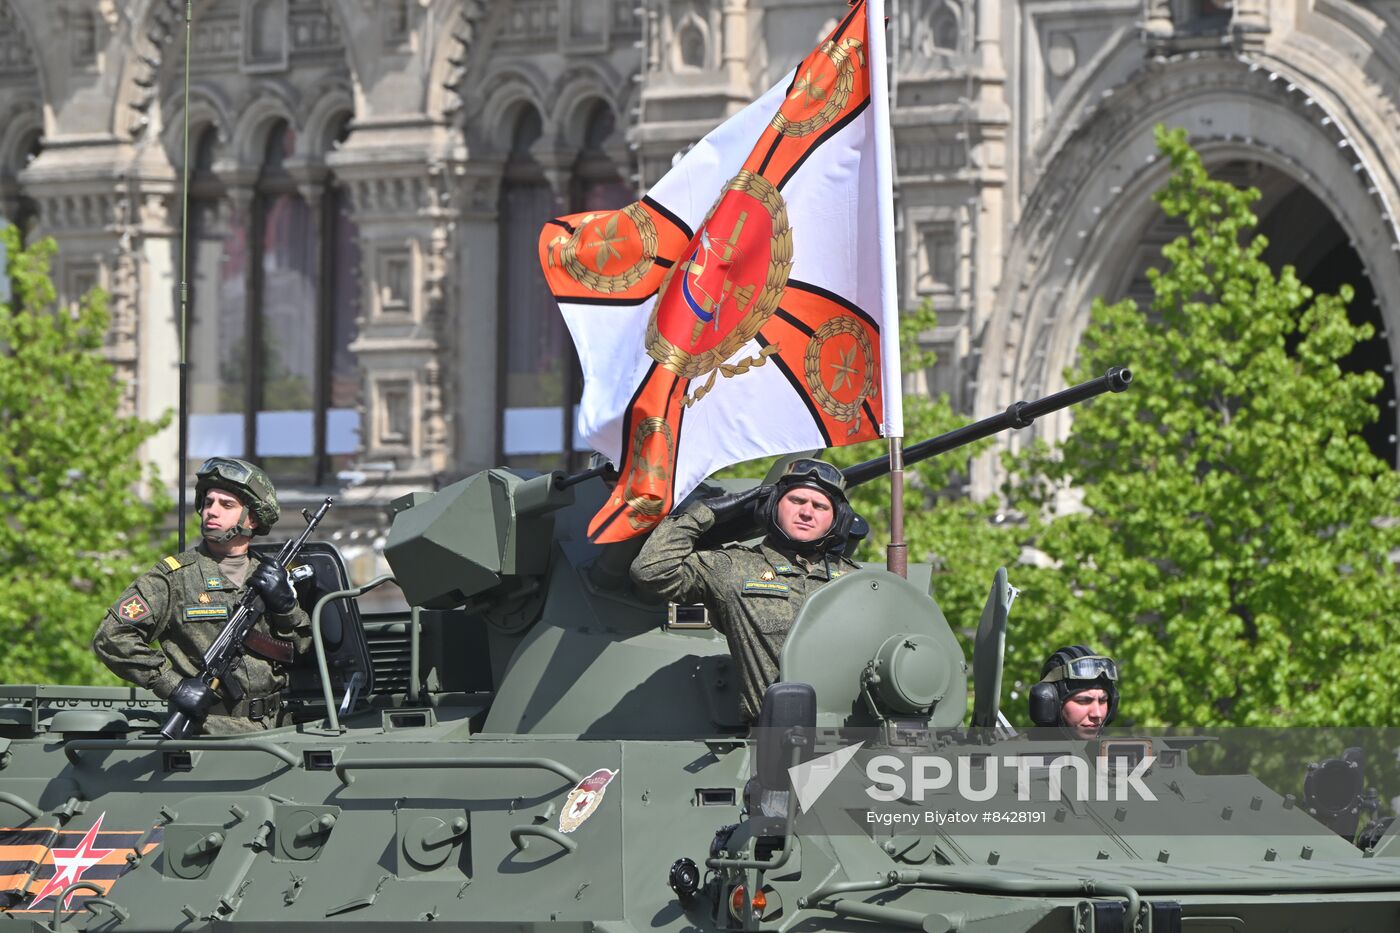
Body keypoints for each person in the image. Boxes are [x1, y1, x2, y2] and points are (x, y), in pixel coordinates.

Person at [630, 458, 860, 722]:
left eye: (820, 506)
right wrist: (701, 513)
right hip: (777, 741)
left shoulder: (854, 581)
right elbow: (651, 571)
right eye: (796, 501)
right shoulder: (734, 568)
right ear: (773, 506)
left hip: (857, 739)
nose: (807, 512)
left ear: (837, 518)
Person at [93, 457, 310, 735]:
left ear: (252, 518)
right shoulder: (174, 577)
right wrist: (173, 685)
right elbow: (112, 636)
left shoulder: (272, 577)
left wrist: (286, 607)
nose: (212, 511)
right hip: (209, 734)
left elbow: (304, 651)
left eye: (226, 504)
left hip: (278, 730)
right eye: (208, 503)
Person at [1028, 645, 1119, 739]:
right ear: (1051, 703)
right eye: (1083, 701)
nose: (1097, 714)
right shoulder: (1016, 751)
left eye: (1103, 701)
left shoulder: (1114, 750)